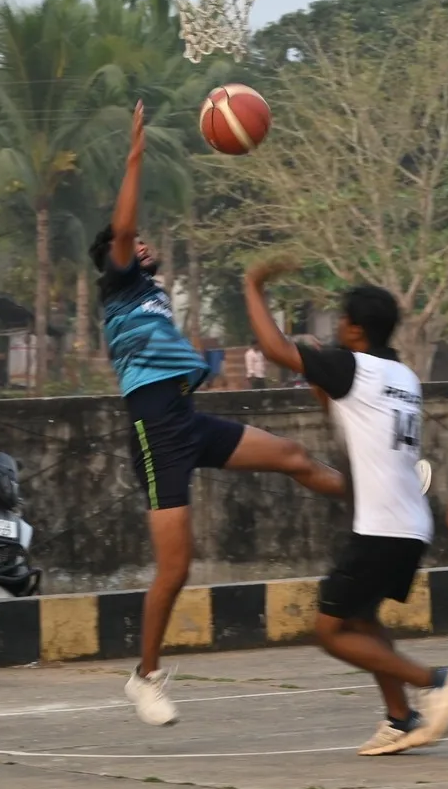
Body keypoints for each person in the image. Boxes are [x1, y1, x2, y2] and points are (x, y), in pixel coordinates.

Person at [96, 102, 347, 726]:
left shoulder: (149, 290)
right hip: (156, 429)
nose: (143, 242)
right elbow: (123, 228)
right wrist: (135, 154)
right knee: (177, 567)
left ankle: (378, 495)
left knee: (292, 456)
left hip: (186, 418)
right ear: (115, 257)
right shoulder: (119, 281)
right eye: (133, 242)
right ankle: (145, 676)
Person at [242, 259, 448, 754]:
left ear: (355, 328)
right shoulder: (403, 376)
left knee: (329, 631)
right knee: (363, 620)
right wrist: (320, 378)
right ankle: (400, 718)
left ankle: (436, 680)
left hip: (381, 527)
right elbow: (346, 416)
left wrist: (253, 286)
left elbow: (273, 348)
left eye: (342, 320)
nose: (337, 327)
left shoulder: (352, 365)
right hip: (410, 523)